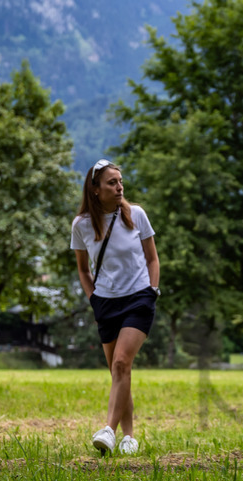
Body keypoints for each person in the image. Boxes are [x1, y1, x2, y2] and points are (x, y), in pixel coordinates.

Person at [71, 159, 161, 456]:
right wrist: (92, 298)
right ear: (95, 190)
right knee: (118, 371)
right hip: (105, 303)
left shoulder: (136, 215)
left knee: (122, 363)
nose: (119, 186)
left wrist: (152, 291)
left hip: (138, 298)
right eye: (112, 182)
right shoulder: (81, 225)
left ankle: (108, 430)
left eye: (120, 181)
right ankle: (129, 437)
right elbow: (83, 270)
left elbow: (152, 259)